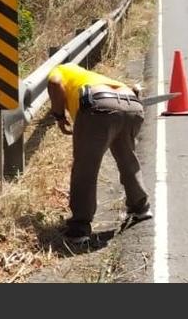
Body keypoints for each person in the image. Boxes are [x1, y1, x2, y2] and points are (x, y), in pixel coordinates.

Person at [47, 62, 152, 244]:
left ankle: (79, 228)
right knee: (127, 158)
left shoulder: (59, 70)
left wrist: (58, 115)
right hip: (132, 104)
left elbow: (55, 83)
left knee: (85, 166)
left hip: (99, 106)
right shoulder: (88, 75)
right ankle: (140, 208)